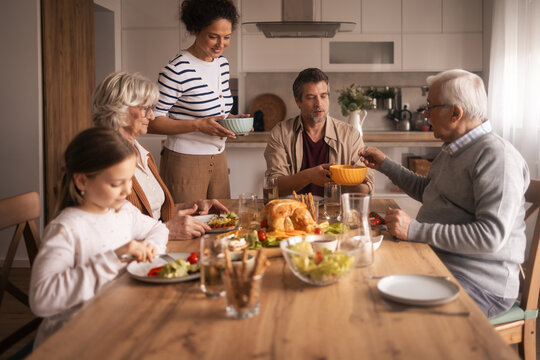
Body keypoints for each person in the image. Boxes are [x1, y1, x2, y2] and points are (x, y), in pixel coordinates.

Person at [359, 69, 530, 318]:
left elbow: (490, 236)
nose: (425, 114)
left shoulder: (497, 157)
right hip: (440, 261)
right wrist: (386, 164)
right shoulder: (454, 147)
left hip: (480, 284)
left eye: (430, 107)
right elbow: (430, 191)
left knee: (393, 315)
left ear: (455, 113)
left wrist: (414, 230)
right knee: (368, 281)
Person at [30, 127, 169, 348]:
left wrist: (152, 247)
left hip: (118, 324)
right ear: (82, 182)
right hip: (74, 340)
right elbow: (41, 299)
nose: (127, 190)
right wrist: (113, 258)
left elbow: (158, 229)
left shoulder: (122, 211)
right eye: (115, 184)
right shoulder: (67, 229)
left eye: (129, 179)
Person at [93, 71, 229, 239]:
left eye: (152, 108)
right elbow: (106, 232)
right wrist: (166, 230)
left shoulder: (142, 152)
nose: (152, 116)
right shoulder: (104, 160)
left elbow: (153, 212)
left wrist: (195, 207)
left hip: (155, 247)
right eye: (146, 109)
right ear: (120, 110)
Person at [149, 0, 245, 203]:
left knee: (222, 226)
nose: (221, 44)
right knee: (189, 228)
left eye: (227, 37)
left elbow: (216, 112)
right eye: (213, 37)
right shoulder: (176, 70)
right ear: (195, 29)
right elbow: (151, 122)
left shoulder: (222, 65)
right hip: (185, 162)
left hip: (219, 159)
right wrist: (197, 126)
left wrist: (234, 121)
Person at [264, 68, 374, 197]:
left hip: (336, 212)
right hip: (293, 212)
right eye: (311, 98)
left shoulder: (350, 135)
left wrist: (350, 179)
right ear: (298, 101)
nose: (319, 103)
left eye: (323, 96)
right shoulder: (281, 133)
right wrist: (309, 176)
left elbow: (367, 188)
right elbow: (274, 187)